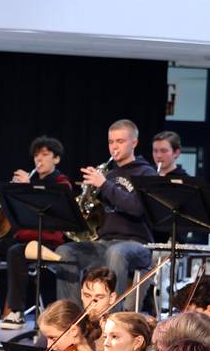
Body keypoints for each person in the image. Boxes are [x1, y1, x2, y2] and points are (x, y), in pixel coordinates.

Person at [0, 136, 72, 328]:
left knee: (16, 251)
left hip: (48, 241)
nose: (39, 160)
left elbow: (54, 214)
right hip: (23, 239)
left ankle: (16, 311)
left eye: (45, 155)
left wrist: (28, 187)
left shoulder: (61, 183)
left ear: (56, 159)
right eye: (36, 155)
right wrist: (11, 196)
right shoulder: (32, 183)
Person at [56, 119, 157, 306]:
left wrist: (103, 185)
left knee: (116, 253)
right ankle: (71, 319)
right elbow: (94, 215)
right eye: (111, 142)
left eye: (120, 141)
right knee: (64, 252)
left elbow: (137, 208)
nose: (114, 147)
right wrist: (87, 199)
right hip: (104, 243)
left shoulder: (146, 173)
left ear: (134, 143)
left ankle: (111, 320)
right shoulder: (108, 174)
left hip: (137, 244)